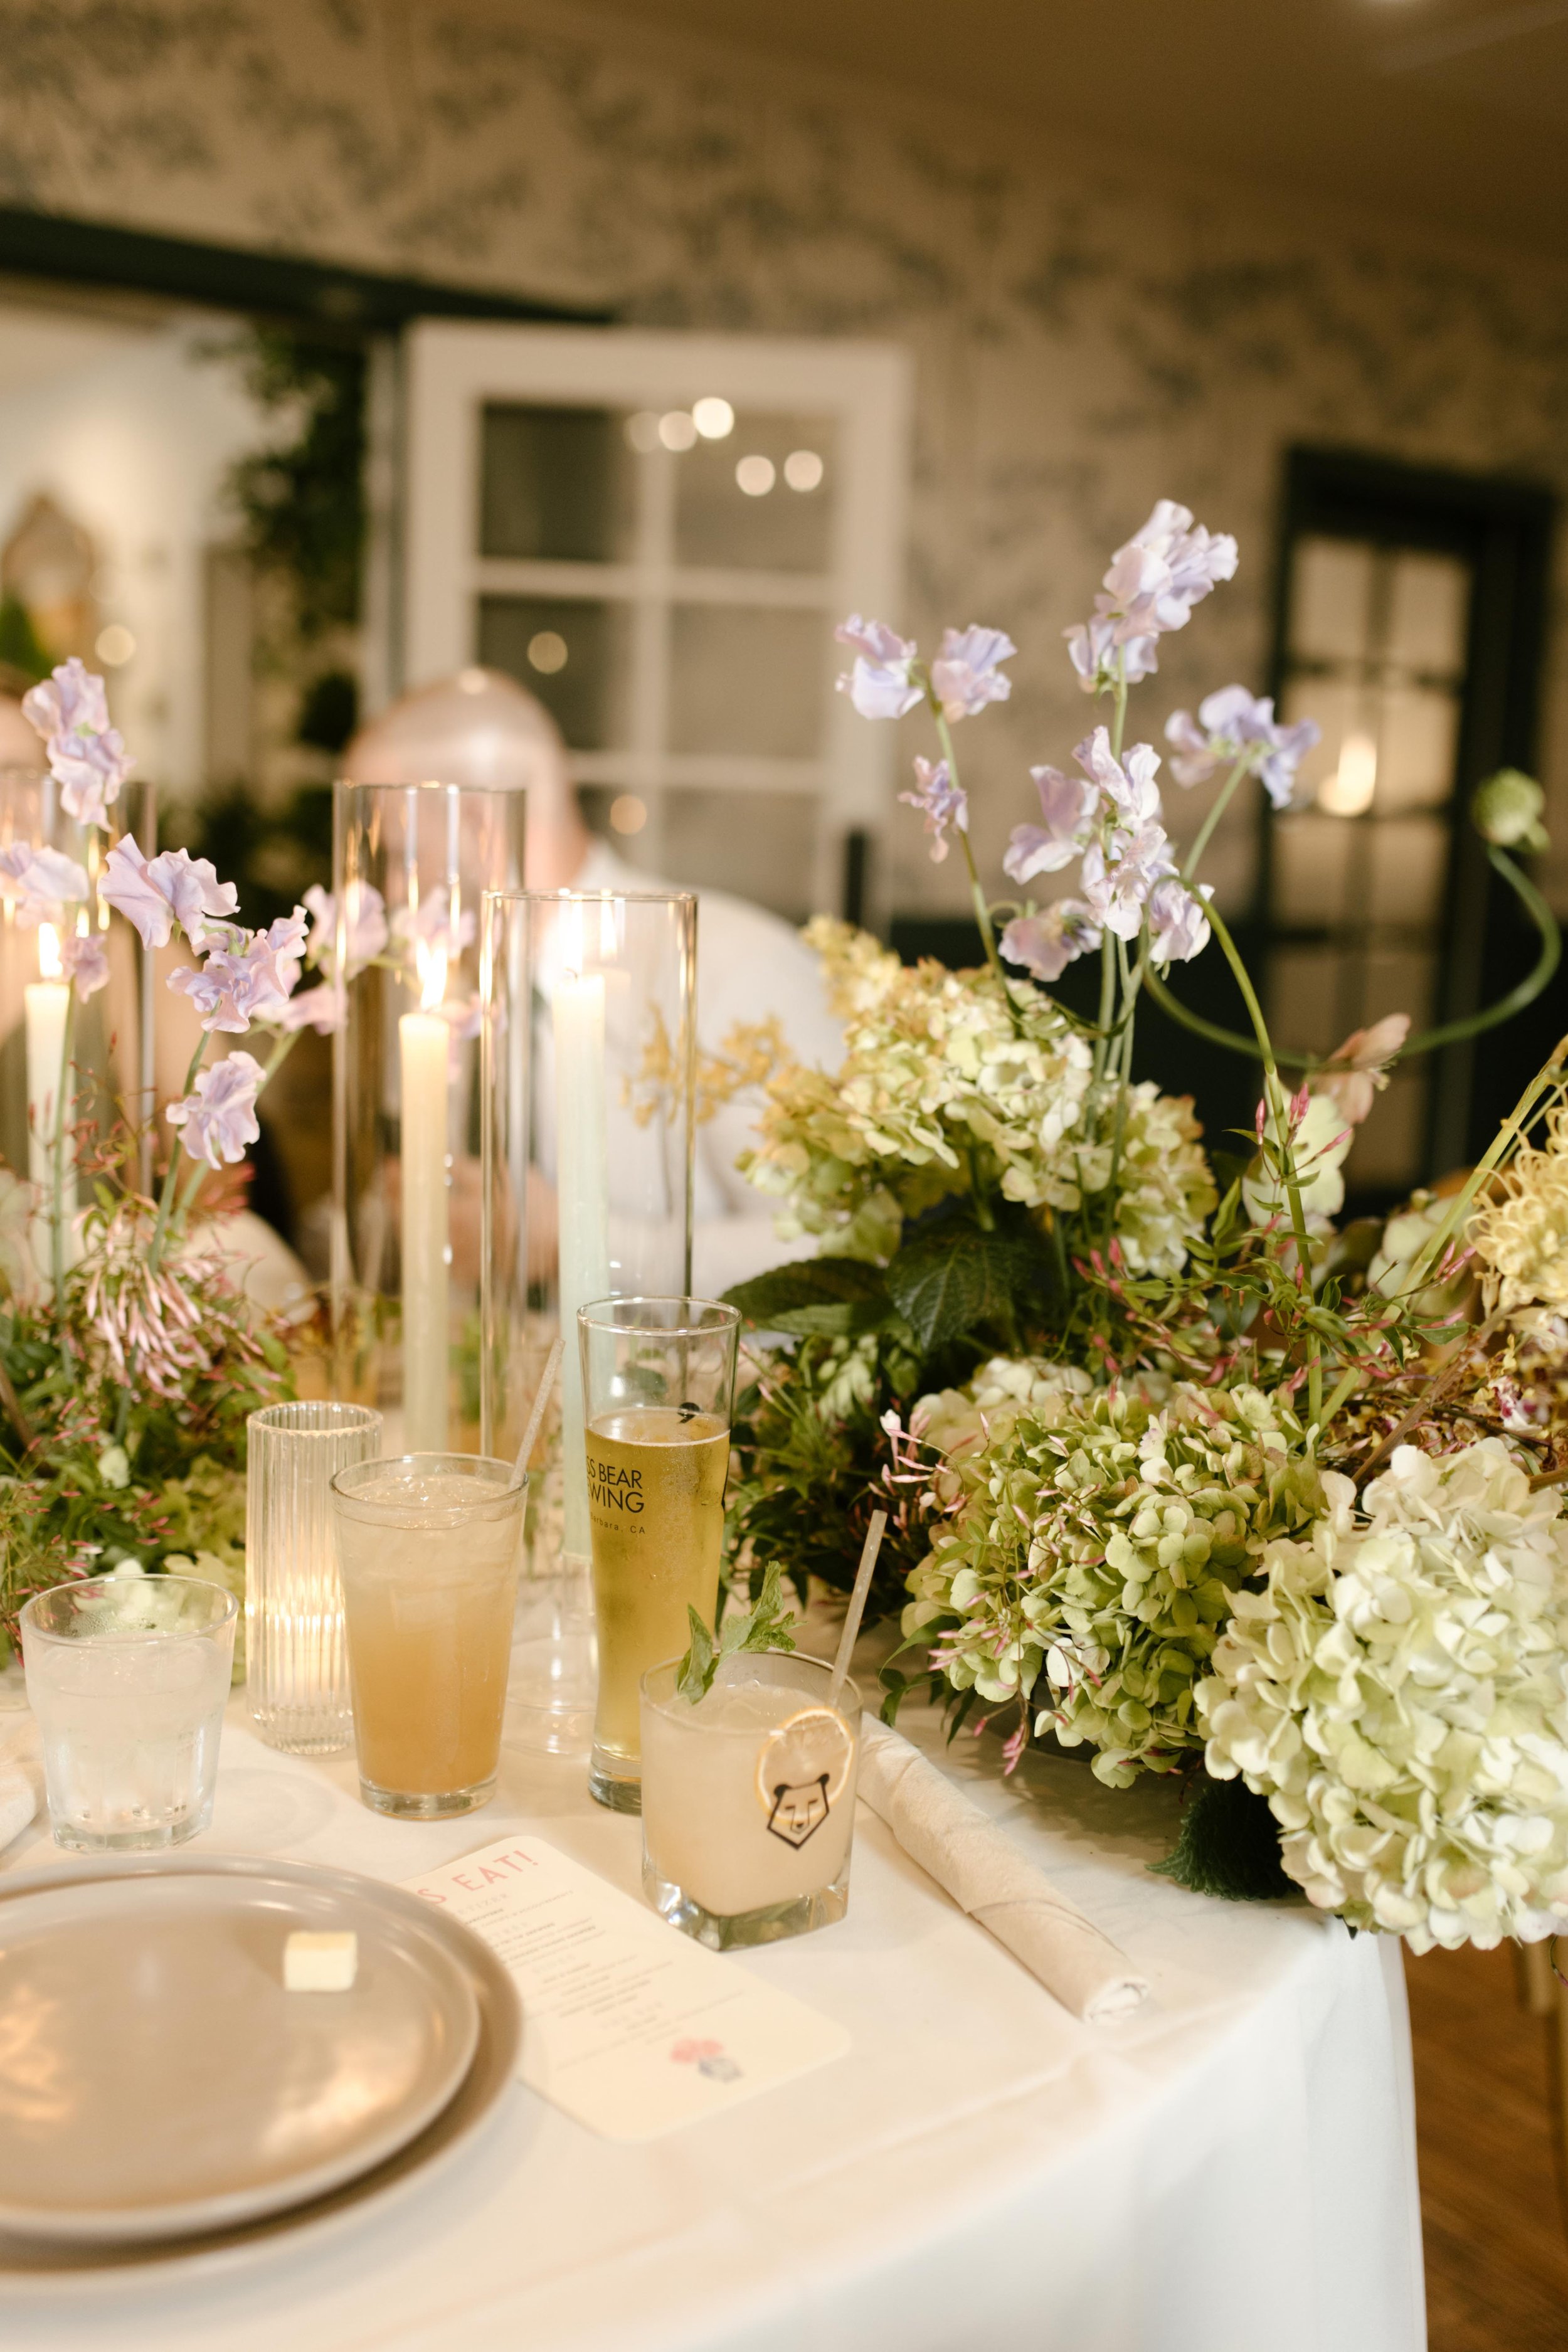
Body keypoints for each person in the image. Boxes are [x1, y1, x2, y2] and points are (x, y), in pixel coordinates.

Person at [343, 668, 842, 1294]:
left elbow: (837, 1250)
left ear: (478, 822)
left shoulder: (731, 971)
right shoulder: (447, 987)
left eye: (399, 856)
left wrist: (574, 1243)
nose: (391, 893)